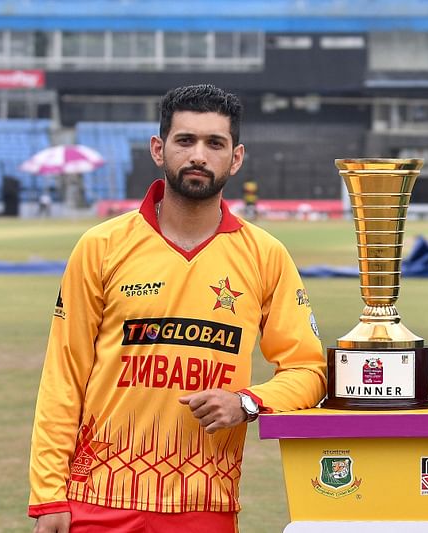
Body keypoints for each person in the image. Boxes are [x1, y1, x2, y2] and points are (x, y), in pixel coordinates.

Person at [28, 84, 327, 533]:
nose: (199, 155)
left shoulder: (266, 255)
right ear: (158, 148)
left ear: (237, 157)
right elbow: (64, 375)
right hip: (98, 498)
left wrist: (246, 402)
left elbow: (309, 369)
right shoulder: (101, 246)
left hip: (206, 501)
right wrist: (49, 494)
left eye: (215, 143)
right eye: (185, 140)